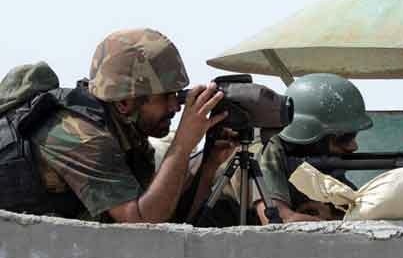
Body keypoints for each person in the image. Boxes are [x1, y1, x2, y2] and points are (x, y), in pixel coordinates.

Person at [17, 28, 238, 223]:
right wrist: (182, 144)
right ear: (124, 102)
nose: (176, 107)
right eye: (165, 96)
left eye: (177, 95)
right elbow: (142, 224)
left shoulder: (130, 139)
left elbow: (171, 220)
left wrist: (208, 164)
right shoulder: (82, 136)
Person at [253, 73, 373, 224]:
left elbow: (359, 214)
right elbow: (278, 220)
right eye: (345, 137)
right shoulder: (268, 150)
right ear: (310, 136)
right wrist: (328, 220)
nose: (353, 146)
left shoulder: (320, 163)